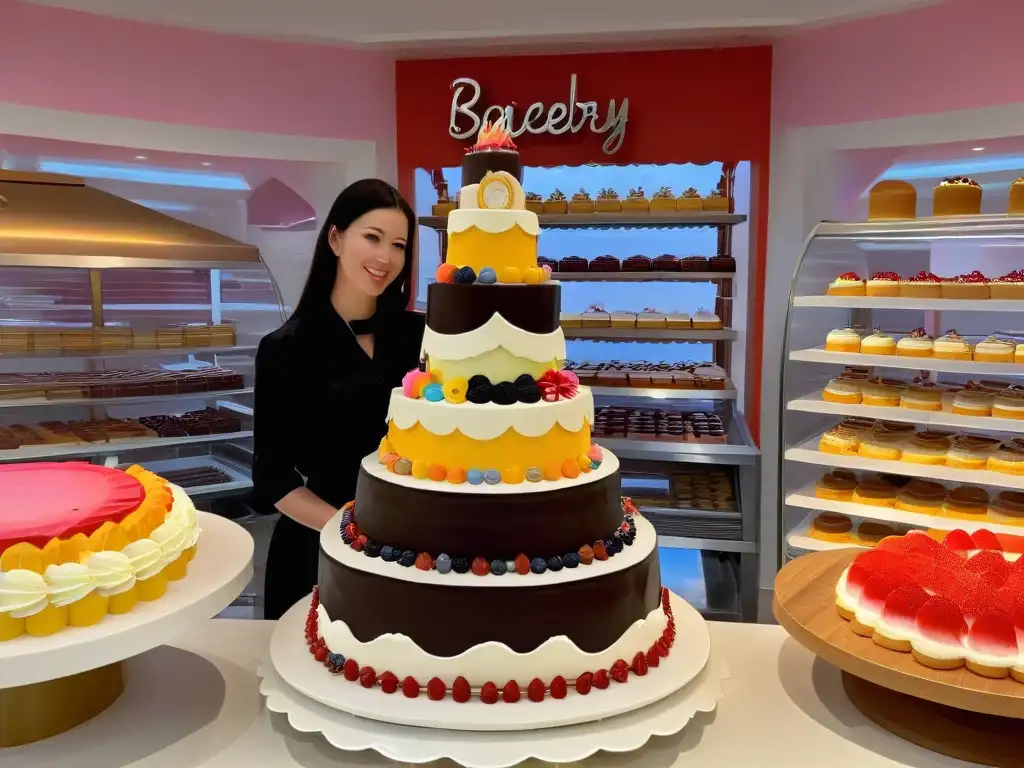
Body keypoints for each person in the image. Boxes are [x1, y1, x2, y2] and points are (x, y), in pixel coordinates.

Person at [253, 179, 425, 620]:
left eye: (399, 245)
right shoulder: (285, 348)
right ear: (335, 238)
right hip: (318, 548)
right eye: (372, 237)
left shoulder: (420, 336)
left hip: (414, 545)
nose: (386, 258)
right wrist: (348, 531)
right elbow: (272, 478)